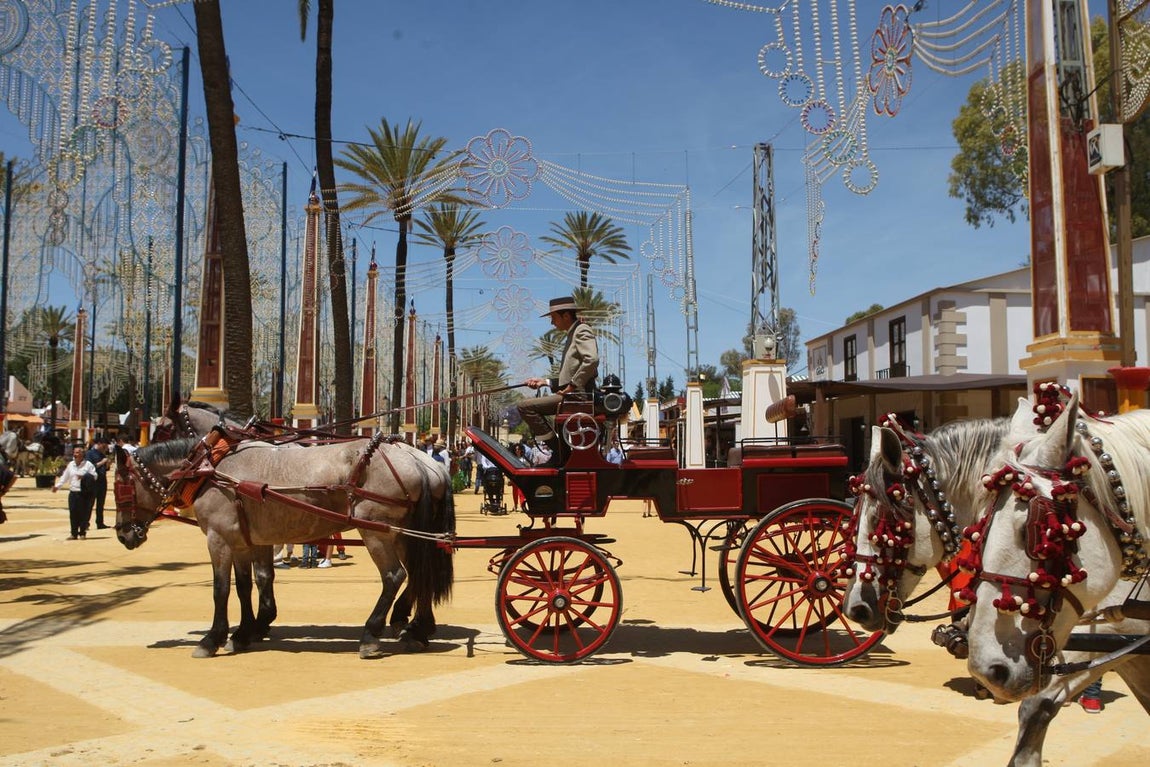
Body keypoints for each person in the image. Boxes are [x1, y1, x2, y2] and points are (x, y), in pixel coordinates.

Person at [518, 295, 599, 467]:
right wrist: (544, 381)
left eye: (553, 318)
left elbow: (591, 359)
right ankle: (561, 451)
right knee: (526, 406)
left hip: (578, 397)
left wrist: (573, 385)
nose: (552, 323)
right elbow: (569, 374)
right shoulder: (573, 334)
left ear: (566, 316)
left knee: (525, 407)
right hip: (572, 395)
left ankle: (560, 452)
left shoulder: (581, 330)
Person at [53, 446, 97, 540]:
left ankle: (82, 533)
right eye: (74, 452)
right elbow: (65, 477)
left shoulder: (88, 464)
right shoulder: (71, 464)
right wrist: (57, 486)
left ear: (82, 454)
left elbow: (95, 476)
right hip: (73, 493)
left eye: (77, 453)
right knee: (73, 513)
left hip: (83, 493)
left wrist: (84, 476)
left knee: (83, 514)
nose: (75, 454)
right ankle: (73, 533)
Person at [85, 436, 111, 529]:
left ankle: (100, 522)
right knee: (90, 503)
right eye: (104, 446)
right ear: (99, 444)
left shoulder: (102, 454)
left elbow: (105, 468)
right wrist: (102, 462)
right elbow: (89, 467)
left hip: (102, 481)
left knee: (101, 503)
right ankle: (85, 523)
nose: (105, 449)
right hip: (93, 481)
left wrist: (107, 464)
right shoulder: (90, 454)